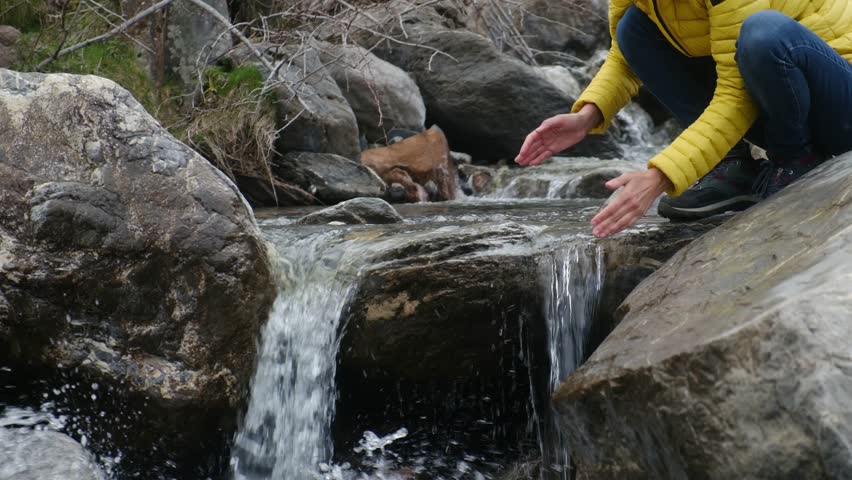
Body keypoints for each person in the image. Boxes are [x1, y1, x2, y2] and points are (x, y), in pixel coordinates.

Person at [515, 0, 852, 238]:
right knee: (635, 27)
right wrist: (587, 116)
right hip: (788, 94)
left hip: (841, 99)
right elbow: (625, 54)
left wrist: (661, 175)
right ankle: (731, 167)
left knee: (763, 34)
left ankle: (796, 160)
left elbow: (736, 97)